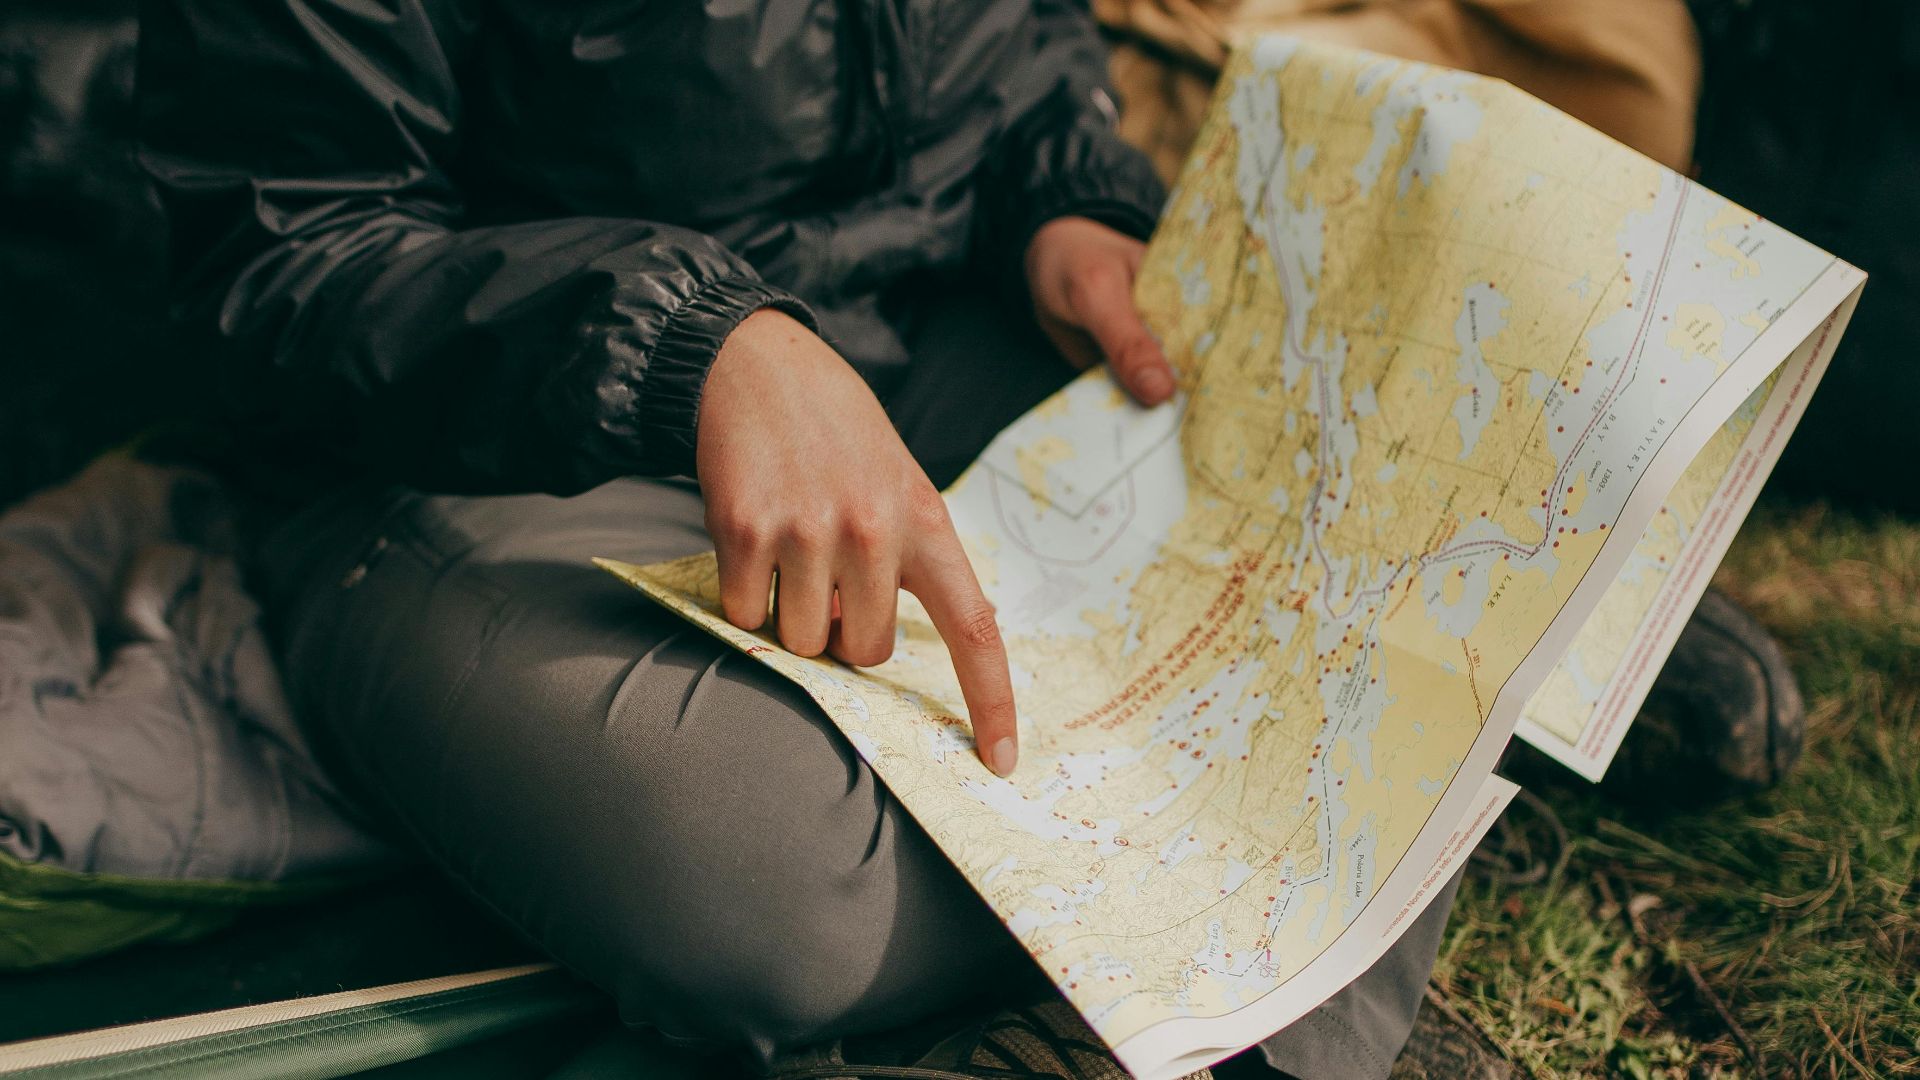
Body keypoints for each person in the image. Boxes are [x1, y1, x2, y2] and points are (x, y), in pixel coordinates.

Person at [133, 1, 1457, 1077]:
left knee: (1380, 561)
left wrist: (1060, 193)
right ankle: (1241, 892)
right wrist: (691, 346)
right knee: (768, 887)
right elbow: (274, 259)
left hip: (924, 324)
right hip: (483, 431)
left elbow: (1024, 40)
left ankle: (1225, 1004)